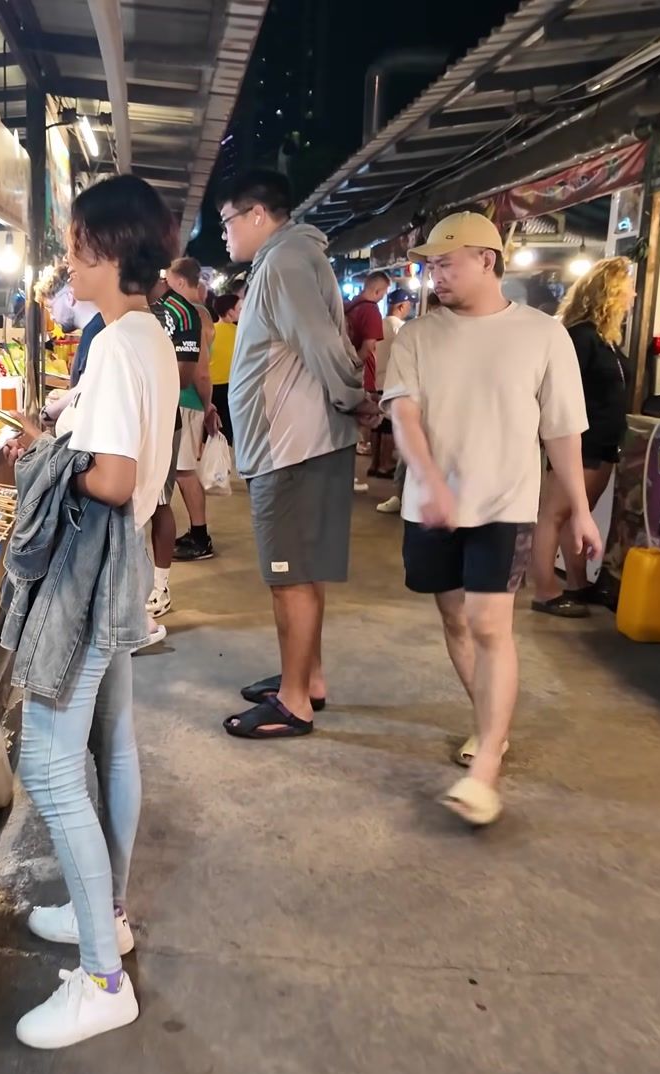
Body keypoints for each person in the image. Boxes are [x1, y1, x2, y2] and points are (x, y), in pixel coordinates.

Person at [9, 174, 178, 1049]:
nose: (68, 263)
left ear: (111, 251)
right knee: (112, 742)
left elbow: (110, 478)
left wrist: (49, 456)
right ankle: (102, 914)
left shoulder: (112, 346)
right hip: (128, 559)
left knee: (45, 764)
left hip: (92, 561)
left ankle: (105, 980)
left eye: (76, 246)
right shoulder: (150, 334)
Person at [381, 211, 601, 826]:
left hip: (505, 504)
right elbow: (403, 415)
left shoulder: (543, 335)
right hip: (433, 508)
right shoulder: (417, 336)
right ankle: (489, 726)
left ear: (487, 260)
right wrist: (429, 482)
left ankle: (485, 771)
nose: (435, 275)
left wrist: (581, 511)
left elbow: (562, 431)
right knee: (454, 618)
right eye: (431, 265)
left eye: (446, 263)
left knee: (488, 624)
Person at [214, 169, 370, 738]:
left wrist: (354, 399)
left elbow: (323, 343)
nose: (224, 234)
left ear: (257, 214)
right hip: (295, 444)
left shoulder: (284, 261)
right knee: (302, 572)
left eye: (228, 222)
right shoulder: (288, 259)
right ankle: (306, 678)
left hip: (292, 448)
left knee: (289, 578)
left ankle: (295, 701)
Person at [531, 256, 631, 617]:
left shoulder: (605, 339)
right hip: (580, 441)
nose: (633, 295)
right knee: (555, 514)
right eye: (628, 288)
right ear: (609, 292)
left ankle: (578, 583)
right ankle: (545, 589)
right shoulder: (581, 337)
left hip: (602, 440)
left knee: (576, 514)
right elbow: (559, 393)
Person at [144, 272, 203, 611]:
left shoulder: (181, 311)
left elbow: (184, 376)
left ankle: (160, 588)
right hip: (130, 420)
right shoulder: (130, 304)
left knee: (159, 502)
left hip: (164, 420)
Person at [166, 256, 220, 562]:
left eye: (168, 282)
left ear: (179, 281)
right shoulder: (200, 312)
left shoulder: (192, 315)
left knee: (184, 471)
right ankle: (197, 533)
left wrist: (207, 405)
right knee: (181, 469)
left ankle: (201, 537)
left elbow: (200, 371)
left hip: (186, 401)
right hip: (187, 401)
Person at [374, 287, 416, 514]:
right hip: (390, 384)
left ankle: (376, 463)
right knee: (390, 429)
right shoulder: (400, 328)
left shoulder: (380, 323)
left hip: (376, 380)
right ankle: (384, 464)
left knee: (377, 427)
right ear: (402, 306)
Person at [346, 270, 390, 491]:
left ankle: (344, 477)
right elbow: (368, 347)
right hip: (360, 375)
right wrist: (354, 369)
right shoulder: (371, 311)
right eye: (383, 293)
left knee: (345, 428)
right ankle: (347, 478)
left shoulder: (349, 306)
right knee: (357, 427)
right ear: (378, 290)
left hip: (344, 374)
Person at [208, 291, 240, 447]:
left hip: (210, 388)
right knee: (228, 427)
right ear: (230, 312)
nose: (241, 312)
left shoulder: (210, 330)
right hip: (231, 386)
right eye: (239, 309)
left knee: (212, 427)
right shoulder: (239, 332)